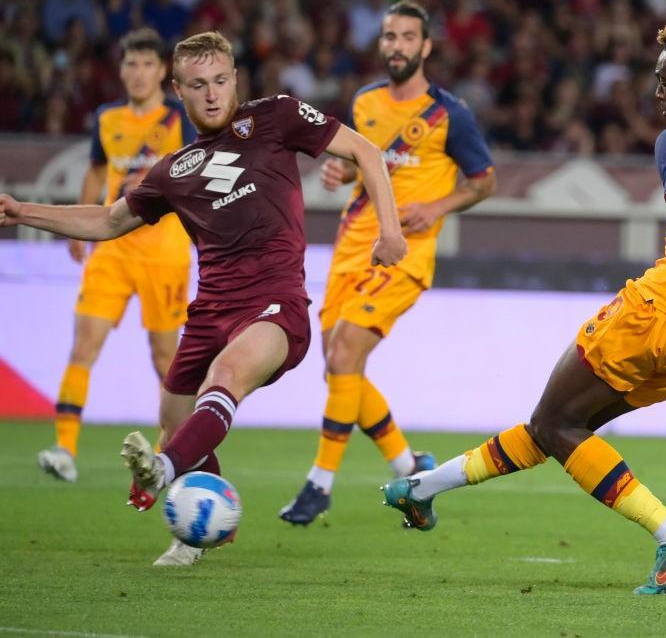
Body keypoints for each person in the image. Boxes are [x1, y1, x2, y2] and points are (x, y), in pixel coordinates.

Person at [380, 17, 666, 595]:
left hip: (664, 313)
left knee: (555, 423)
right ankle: (421, 491)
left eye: (663, 81)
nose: (656, 94)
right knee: (560, 430)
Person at [0, 31, 407, 566]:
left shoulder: (277, 117)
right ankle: (205, 525)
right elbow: (106, 220)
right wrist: (21, 210)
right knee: (173, 415)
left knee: (224, 381)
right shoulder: (171, 172)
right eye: (198, 85)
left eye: (220, 80)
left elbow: (365, 150)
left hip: (275, 306)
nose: (212, 94)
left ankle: (164, 472)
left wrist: (390, 230)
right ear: (179, 91)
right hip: (209, 309)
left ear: (235, 78)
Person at [279, 0, 496, 525]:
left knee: (347, 349)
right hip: (354, 243)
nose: (395, 46)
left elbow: (484, 180)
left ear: (425, 47)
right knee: (338, 364)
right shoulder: (365, 102)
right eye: (389, 36)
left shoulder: (450, 115)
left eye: (406, 37)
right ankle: (410, 466)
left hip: (406, 254)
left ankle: (319, 484)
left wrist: (438, 206)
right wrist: (340, 174)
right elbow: (359, 165)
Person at [37, 28, 195, 484]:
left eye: (148, 64)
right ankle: (64, 447)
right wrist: (76, 229)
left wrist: (153, 180)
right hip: (111, 249)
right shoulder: (107, 118)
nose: (139, 73)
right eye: (131, 64)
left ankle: (168, 455)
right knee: (84, 345)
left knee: (165, 359)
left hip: (164, 253)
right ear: (122, 70)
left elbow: (193, 169)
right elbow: (96, 169)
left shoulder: (177, 120)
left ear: (163, 71)